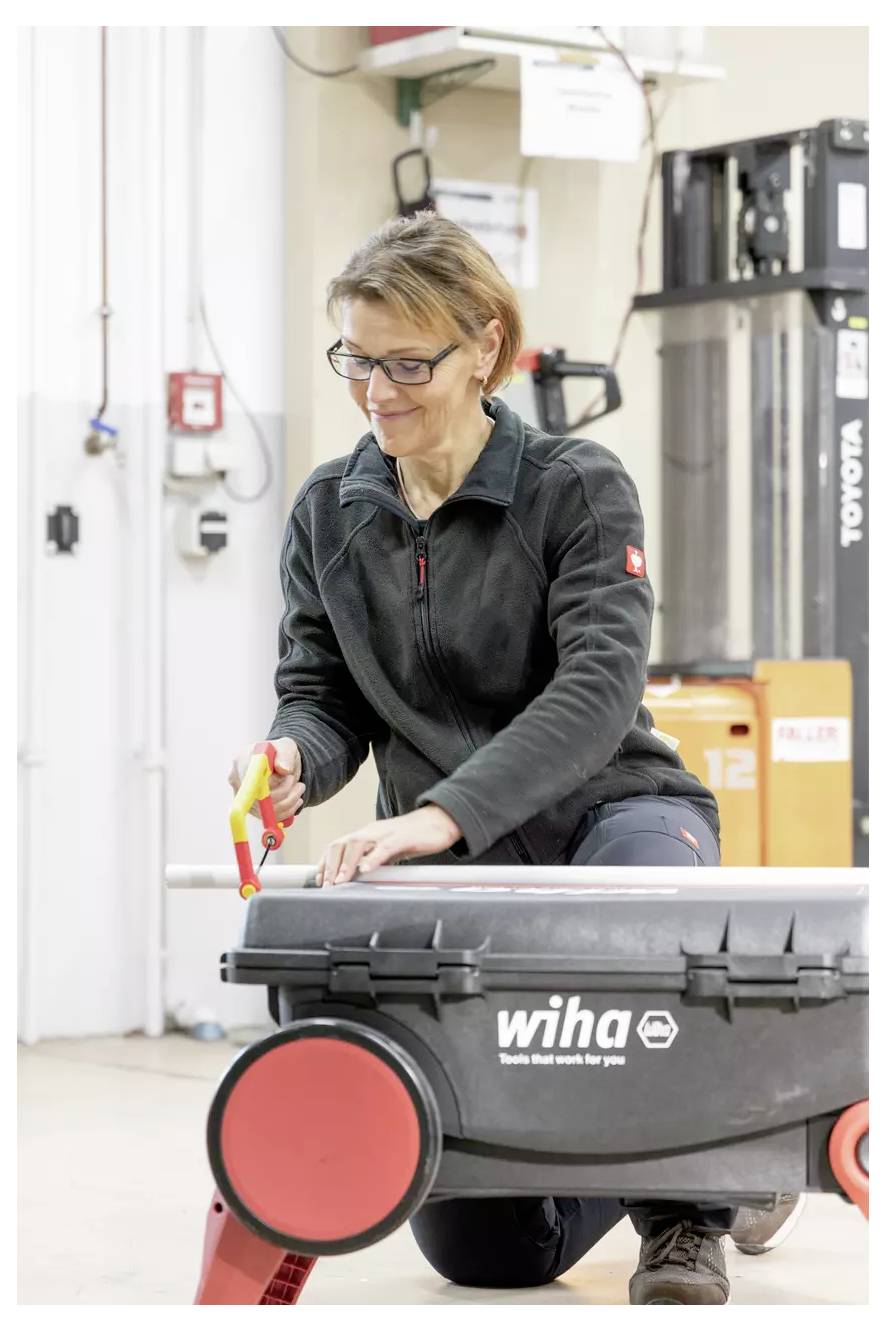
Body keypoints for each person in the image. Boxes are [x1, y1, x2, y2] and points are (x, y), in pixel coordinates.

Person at [229, 212, 800, 1304]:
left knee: (637, 923)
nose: (376, 390)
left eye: (408, 362)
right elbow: (321, 694)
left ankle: (691, 1207)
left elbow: (595, 693)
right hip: (439, 833)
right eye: (357, 358)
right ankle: (717, 1151)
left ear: (483, 347)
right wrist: (292, 759)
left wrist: (441, 813)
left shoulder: (575, 486)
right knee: (485, 1256)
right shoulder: (325, 513)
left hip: (613, 805)